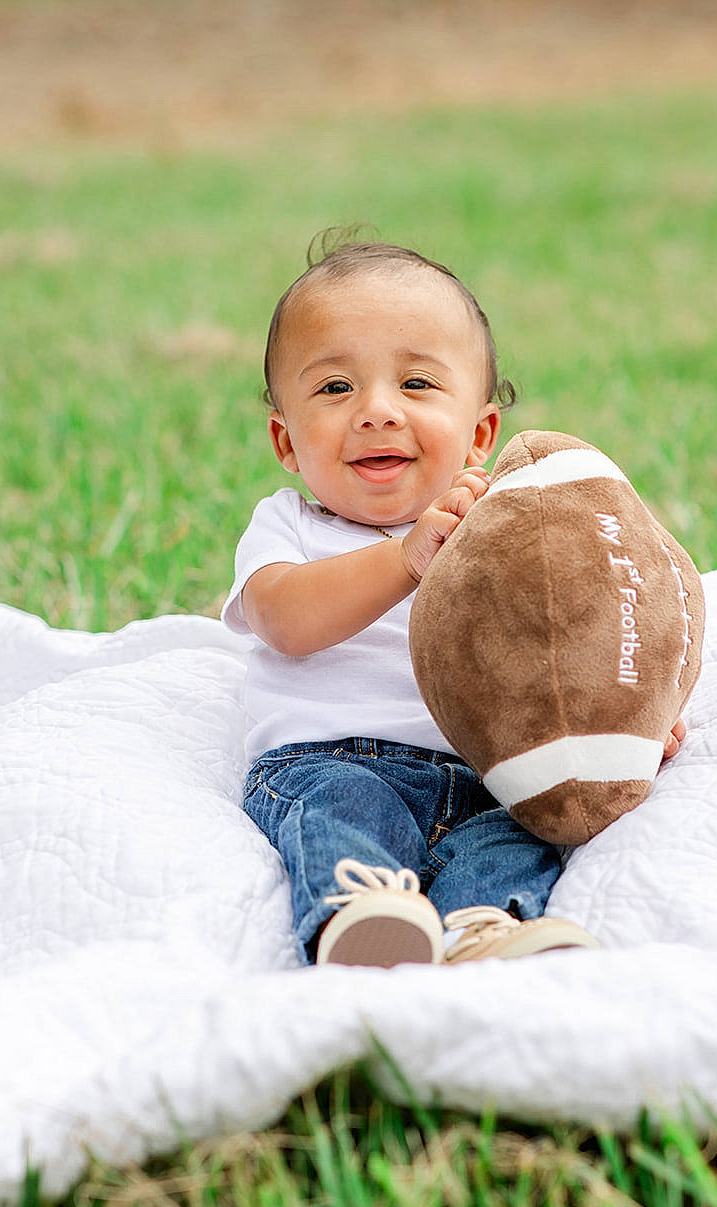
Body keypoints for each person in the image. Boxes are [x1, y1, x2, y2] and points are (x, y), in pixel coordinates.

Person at [222, 235, 682, 968]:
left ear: (480, 434)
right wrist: (405, 558)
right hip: (331, 757)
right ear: (286, 440)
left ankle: (483, 927)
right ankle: (362, 913)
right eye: (336, 388)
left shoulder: (502, 527)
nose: (376, 410)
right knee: (341, 815)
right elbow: (285, 620)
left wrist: (626, 710)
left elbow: (568, 631)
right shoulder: (290, 525)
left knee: (518, 836)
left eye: (417, 385)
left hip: (482, 768)